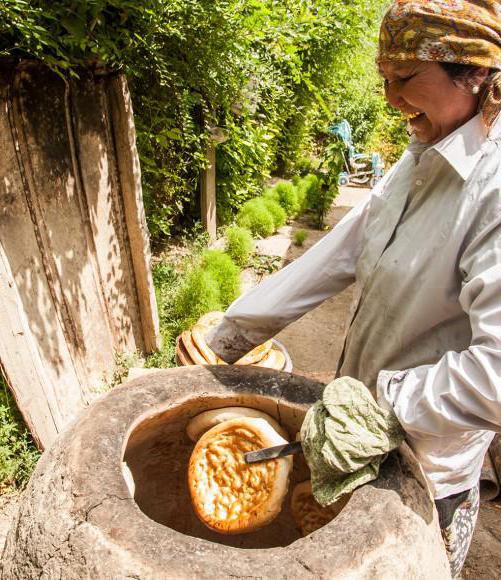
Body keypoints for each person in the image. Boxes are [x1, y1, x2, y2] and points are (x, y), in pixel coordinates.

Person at [208, 0, 501, 576]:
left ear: (473, 72)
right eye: (384, 78)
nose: (390, 98)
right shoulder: (420, 157)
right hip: (351, 429)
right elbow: (339, 254)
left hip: (428, 461)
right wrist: (229, 335)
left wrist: (385, 406)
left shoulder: (491, 189)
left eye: (405, 78)